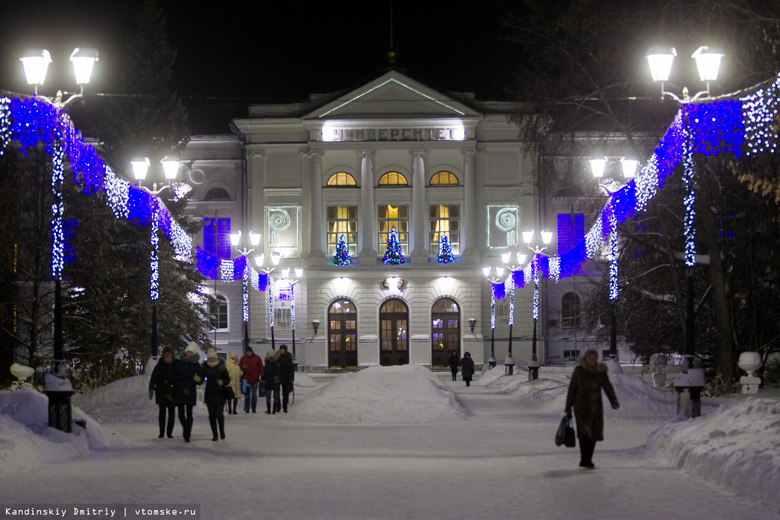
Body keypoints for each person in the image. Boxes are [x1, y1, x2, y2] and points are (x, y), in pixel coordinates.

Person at [565, 348, 620, 469]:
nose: (592, 360)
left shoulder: (600, 372)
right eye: (590, 358)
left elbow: (607, 387)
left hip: (595, 407)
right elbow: (572, 389)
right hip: (580, 406)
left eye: (594, 358)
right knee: (583, 433)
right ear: (586, 359)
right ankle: (584, 459)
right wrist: (568, 408)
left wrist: (613, 401)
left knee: (594, 433)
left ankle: (588, 458)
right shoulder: (579, 371)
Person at [172, 342, 204, 443]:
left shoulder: (196, 364)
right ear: (185, 352)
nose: (189, 354)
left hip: (190, 390)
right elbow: (174, 374)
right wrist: (176, 382)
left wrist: (197, 380)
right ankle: (185, 428)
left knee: (189, 413)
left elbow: (202, 377)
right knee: (181, 413)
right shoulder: (178, 363)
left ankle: (187, 434)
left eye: (191, 352)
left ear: (193, 354)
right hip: (180, 389)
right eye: (188, 352)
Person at [148, 346, 177, 438]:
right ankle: (161, 432)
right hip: (161, 391)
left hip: (172, 392)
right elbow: (154, 377)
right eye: (166, 356)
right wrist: (151, 388)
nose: (168, 358)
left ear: (172, 356)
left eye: (169, 356)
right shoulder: (159, 365)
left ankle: (169, 432)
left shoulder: (175, 366)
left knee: (171, 413)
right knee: (162, 413)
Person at [202, 348, 230, 441]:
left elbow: (227, 379)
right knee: (211, 416)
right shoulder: (205, 368)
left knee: (219, 414)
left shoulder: (221, 367)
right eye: (210, 358)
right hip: (209, 394)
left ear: (216, 358)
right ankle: (215, 434)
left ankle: (222, 431)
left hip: (220, 394)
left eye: (213, 358)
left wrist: (222, 382)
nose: (211, 359)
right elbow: (201, 377)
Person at [239, 346, 264, 413]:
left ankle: (253, 408)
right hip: (245, 380)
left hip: (255, 379)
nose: (249, 353)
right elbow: (239, 368)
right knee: (246, 394)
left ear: (252, 352)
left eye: (250, 352)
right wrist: (243, 367)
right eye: (247, 352)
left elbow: (261, 368)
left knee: (254, 395)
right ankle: (246, 407)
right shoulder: (243, 359)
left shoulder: (257, 358)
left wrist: (262, 376)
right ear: (246, 352)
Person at [263, 350, 282, 414]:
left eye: (268, 355)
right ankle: (269, 409)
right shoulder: (267, 362)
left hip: (273, 381)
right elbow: (265, 372)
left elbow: (278, 372)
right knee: (269, 396)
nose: (267, 356)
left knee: (275, 396)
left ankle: (273, 410)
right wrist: (263, 379)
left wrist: (276, 378)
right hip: (270, 381)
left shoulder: (276, 363)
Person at [278, 344, 295, 413]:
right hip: (278, 377)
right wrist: (277, 357)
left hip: (286, 378)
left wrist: (291, 378)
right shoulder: (277, 356)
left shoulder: (288, 357)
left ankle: (285, 407)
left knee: (285, 393)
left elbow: (291, 368)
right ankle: (277, 407)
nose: (282, 351)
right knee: (276, 393)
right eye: (281, 349)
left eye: (283, 349)